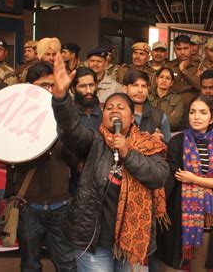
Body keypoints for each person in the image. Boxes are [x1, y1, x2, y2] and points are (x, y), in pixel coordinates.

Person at [51, 52, 169, 271]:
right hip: (94, 240)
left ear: (132, 117)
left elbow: (159, 176)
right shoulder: (94, 139)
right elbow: (71, 131)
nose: (114, 110)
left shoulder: (147, 144)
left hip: (128, 240)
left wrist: (127, 152)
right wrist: (61, 98)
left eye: (121, 108)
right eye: (109, 108)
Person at [5, 61, 76, 272]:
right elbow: (11, 158)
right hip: (30, 205)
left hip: (61, 203)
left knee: (66, 263)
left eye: (51, 85)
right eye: (41, 85)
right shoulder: (14, 120)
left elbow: (77, 159)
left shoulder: (66, 115)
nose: (47, 90)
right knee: (30, 264)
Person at [156, 95, 213, 271]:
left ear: (212, 118)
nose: (197, 117)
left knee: (200, 266)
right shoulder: (178, 141)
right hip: (177, 213)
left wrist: (194, 179)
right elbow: (173, 175)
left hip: (209, 216)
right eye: (192, 112)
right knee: (170, 265)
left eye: (203, 112)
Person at [68, 67, 102, 194]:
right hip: (74, 182)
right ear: (73, 89)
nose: (88, 91)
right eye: (82, 86)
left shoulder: (107, 114)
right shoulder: (68, 116)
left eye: (91, 85)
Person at [123, 69, 171, 142]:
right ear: (125, 89)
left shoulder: (159, 116)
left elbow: (168, 148)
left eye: (143, 86)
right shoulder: (117, 115)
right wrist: (149, 140)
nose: (140, 90)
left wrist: (159, 142)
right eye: (135, 85)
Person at [166, 35, 201, 107]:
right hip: (172, 108)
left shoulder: (199, 66)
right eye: (179, 49)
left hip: (193, 108)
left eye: (185, 48)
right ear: (174, 50)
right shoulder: (168, 66)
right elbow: (168, 88)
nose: (182, 52)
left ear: (191, 48)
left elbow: (200, 85)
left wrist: (183, 69)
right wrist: (191, 86)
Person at [148, 67, 184, 132]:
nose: (164, 80)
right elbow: (143, 118)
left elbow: (175, 122)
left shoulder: (177, 99)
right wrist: (167, 117)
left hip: (170, 134)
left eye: (168, 78)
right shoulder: (147, 96)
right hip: (148, 133)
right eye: (161, 77)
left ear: (172, 83)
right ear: (156, 79)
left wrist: (153, 119)